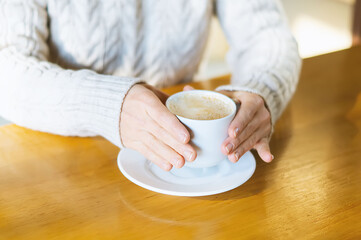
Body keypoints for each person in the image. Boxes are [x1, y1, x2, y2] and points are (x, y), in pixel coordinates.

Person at [0, 0, 301, 171]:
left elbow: (268, 36)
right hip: (59, 155)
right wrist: (109, 106)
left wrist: (261, 89)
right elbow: (8, 65)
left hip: (183, 161)